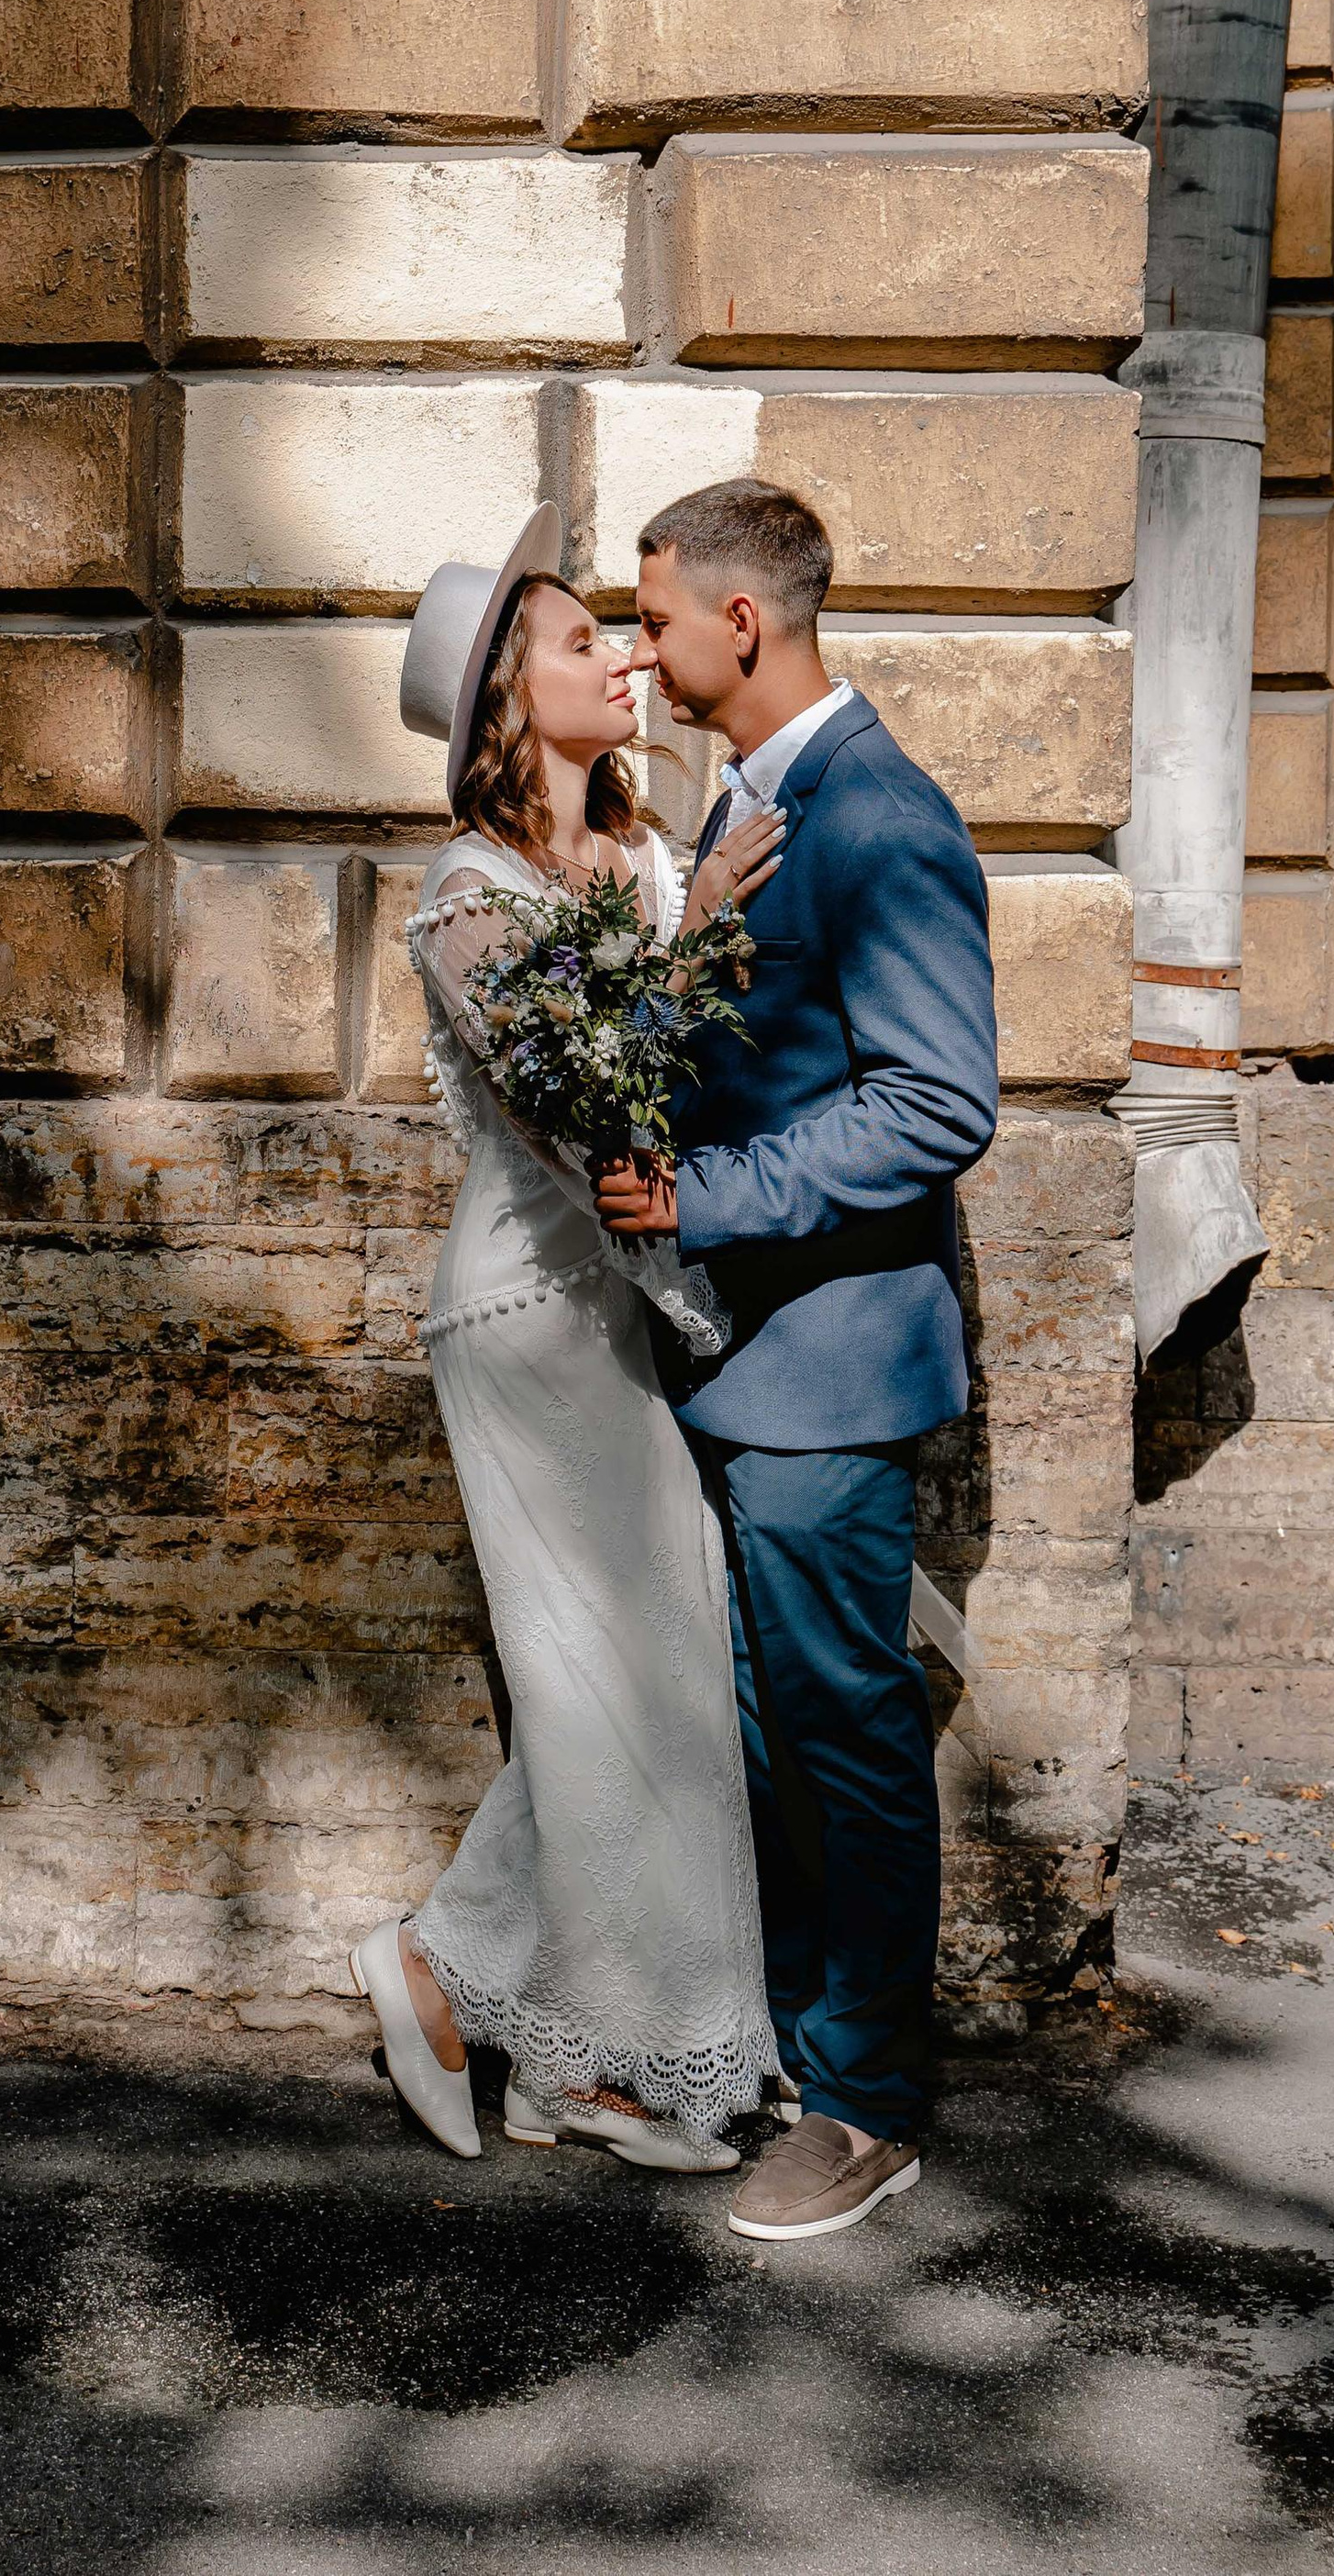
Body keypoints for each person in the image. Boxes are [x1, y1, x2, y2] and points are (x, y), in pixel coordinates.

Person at [346, 501, 784, 2173]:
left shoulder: (654, 857)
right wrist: (702, 939)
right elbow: (573, 1111)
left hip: (616, 1305)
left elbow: (682, 1079)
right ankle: (583, 2066)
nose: (618, 655)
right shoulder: (468, 896)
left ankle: (477, 1990)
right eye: (578, 640)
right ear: (507, 710)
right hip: (525, 1316)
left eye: (615, 628)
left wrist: (697, 917)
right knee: (605, 1681)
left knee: (642, 1675)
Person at [598, 478, 998, 2246]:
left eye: (656, 615)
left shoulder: (881, 816)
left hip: (829, 1373)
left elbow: (938, 1102)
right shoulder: (758, 805)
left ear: (739, 625)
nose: (641, 647)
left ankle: (866, 2106)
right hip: (752, 1370)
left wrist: (701, 1195)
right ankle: (786, 2045)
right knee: (771, 1732)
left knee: (844, 1735)